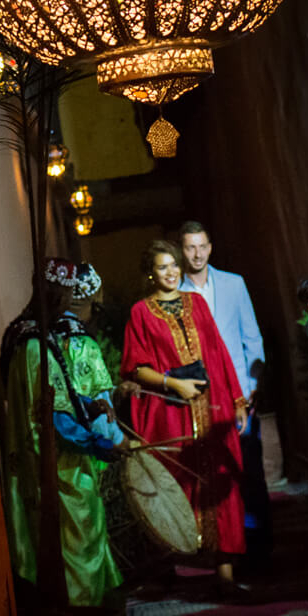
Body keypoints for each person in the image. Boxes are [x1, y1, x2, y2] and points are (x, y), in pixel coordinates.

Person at [0, 258, 127, 607]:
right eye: (66, 294)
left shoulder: (21, 333)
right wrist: (98, 443)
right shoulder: (35, 345)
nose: (71, 303)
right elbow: (53, 418)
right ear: (54, 294)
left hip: (40, 462)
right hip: (55, 468)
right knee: (77, 539)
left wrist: (89, 405)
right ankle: (81, 615)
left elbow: (55, 398)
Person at [123, 241, 252, 583]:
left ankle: (226, 576)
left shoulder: (196, 303)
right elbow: (136, 367)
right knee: (176, 486)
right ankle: (175, 573)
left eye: (174, 265)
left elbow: (219, 352)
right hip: (171, 413)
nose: (171, 272)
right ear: (151, 272)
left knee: (220, 485)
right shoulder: (141, 312)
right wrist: (172, 384)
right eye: (163, 267)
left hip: (214, 406)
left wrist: (238, 401)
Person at [178, 221, 273, 562]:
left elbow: (252, 338)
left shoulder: (234, 284)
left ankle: (261, 545)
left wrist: (249, 390)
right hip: (203, 399)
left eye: (202, 246)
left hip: (239, 396)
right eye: (190, 247)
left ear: (211, 247)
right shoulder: (178, 292)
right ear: (182, 250)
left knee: (248, 470)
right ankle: (227, 552)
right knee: (212, 479)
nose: (197, 254)